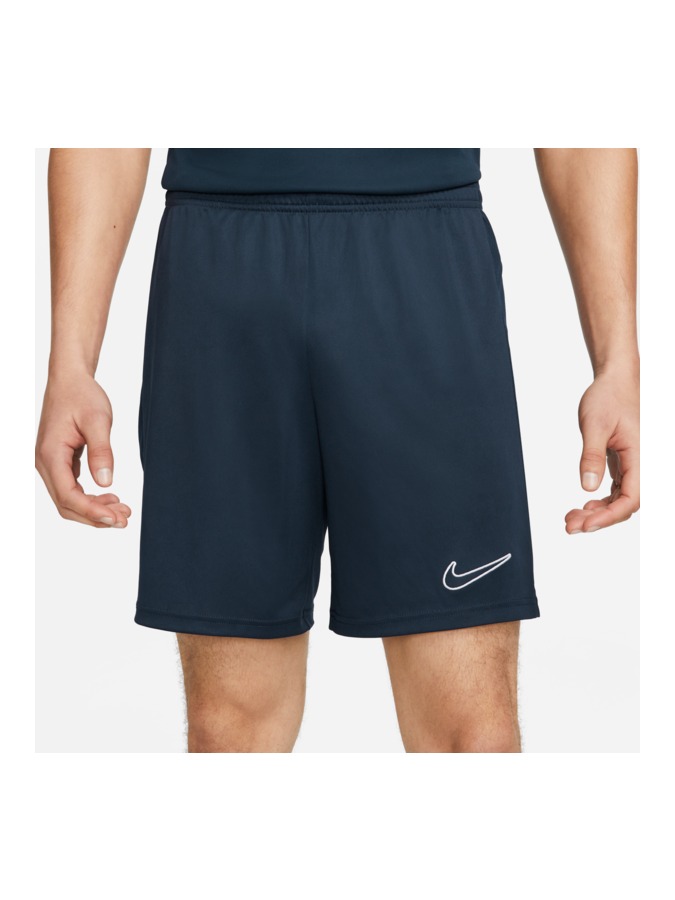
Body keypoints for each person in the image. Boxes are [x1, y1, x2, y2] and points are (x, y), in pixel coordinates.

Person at [36, 149, 639, 753]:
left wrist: (618, 362)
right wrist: (70, 363)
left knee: (472, 735)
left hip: (421, 252)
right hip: (220, 262)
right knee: (229, 735)